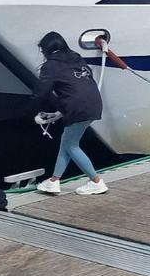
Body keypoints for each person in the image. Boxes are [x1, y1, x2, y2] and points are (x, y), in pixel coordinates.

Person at [31, 30, 127, 195]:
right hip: (93, 104)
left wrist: (30, 110)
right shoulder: (76, 58)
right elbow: (76, 88)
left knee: (71, 145)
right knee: (67, 142)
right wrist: (61, 110)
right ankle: (54, 181)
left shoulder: (51, 66)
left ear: (47, 49)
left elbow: (42, 93)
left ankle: (96, 181)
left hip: (77, 108)